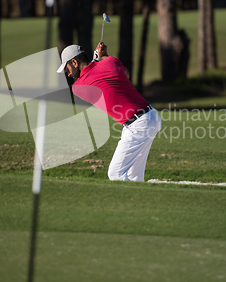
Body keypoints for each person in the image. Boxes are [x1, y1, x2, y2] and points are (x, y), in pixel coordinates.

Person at [57, 42, 161, 182]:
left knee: (115, 174)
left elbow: (91, 76)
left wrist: (96, 59)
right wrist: (103, 57)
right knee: (134, 176)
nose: (68, 74)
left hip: (138, 125)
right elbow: (126, 74)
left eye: (67, 69)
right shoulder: (111, 61)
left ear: (74, 62)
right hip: (151, 116)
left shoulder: (78, 87)